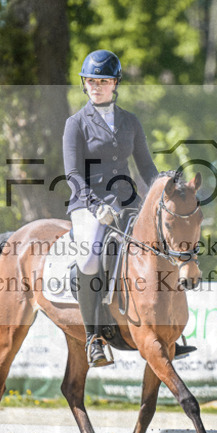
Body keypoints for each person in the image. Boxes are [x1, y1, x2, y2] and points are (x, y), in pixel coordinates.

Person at [63, 49, 159, 367]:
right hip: (87, 204)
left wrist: (162, 193)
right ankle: (94, 338)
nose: (96, 86)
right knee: (91, 257)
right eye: (90, 80)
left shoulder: (130, 121)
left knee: (157, 246)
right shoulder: (75, 124)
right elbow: (73, 174)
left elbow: (146, 167)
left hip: (127, 202)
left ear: (115, 83)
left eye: (102, 81)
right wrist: (94, 205)